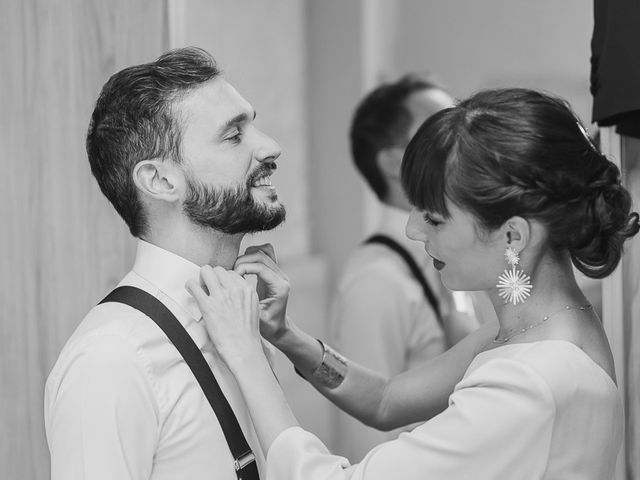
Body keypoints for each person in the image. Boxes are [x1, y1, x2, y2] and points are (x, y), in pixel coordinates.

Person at [187, 88, 639, 479]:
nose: (412, 230)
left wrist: (246, 356)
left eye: (435, 218)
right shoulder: (536, 330)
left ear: (513, 235)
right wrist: (286, 337)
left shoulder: (533, 381)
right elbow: (387, 401)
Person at [44, 47, 285, 479]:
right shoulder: (111, 361)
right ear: (160, 181)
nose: (270, 147)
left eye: (253, 124)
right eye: (234, 135)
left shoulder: (244, 320)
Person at [333, 75, 483, 460]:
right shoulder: (375, 281)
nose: (461, 139)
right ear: (393, 161)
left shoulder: (472, 255)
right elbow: (366, 439)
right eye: (439, 127)